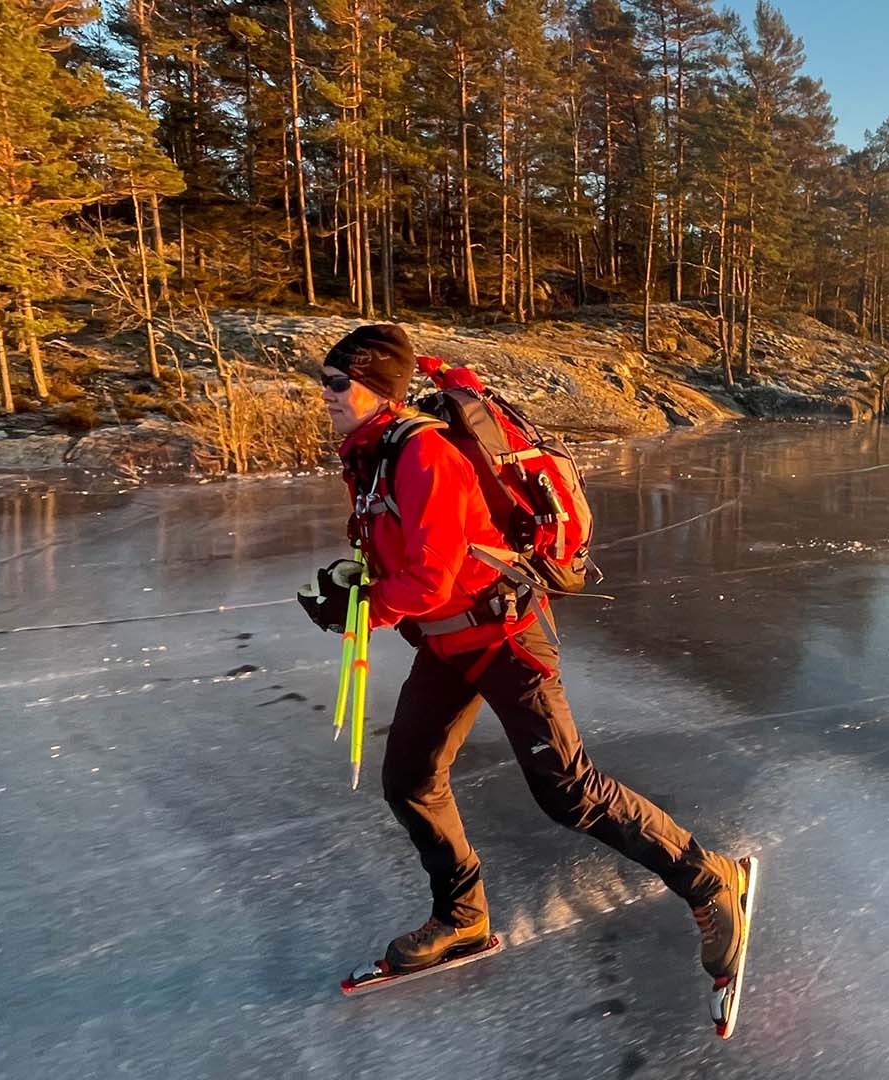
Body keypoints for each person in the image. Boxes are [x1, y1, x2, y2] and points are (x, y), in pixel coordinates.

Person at [300, 323, 747, 991]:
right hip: (448, 641)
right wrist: (353, 583)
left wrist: (367, 609)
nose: (326, 393)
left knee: (569, 791)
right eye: (325, 382)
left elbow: (429, 578)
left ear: (377, 389)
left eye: (338, 382)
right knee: (411, 779)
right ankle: (463, 918)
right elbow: (404, 557)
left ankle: (710, 878)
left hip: (505, 637)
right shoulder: (370, 452)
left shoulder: (423, 455)